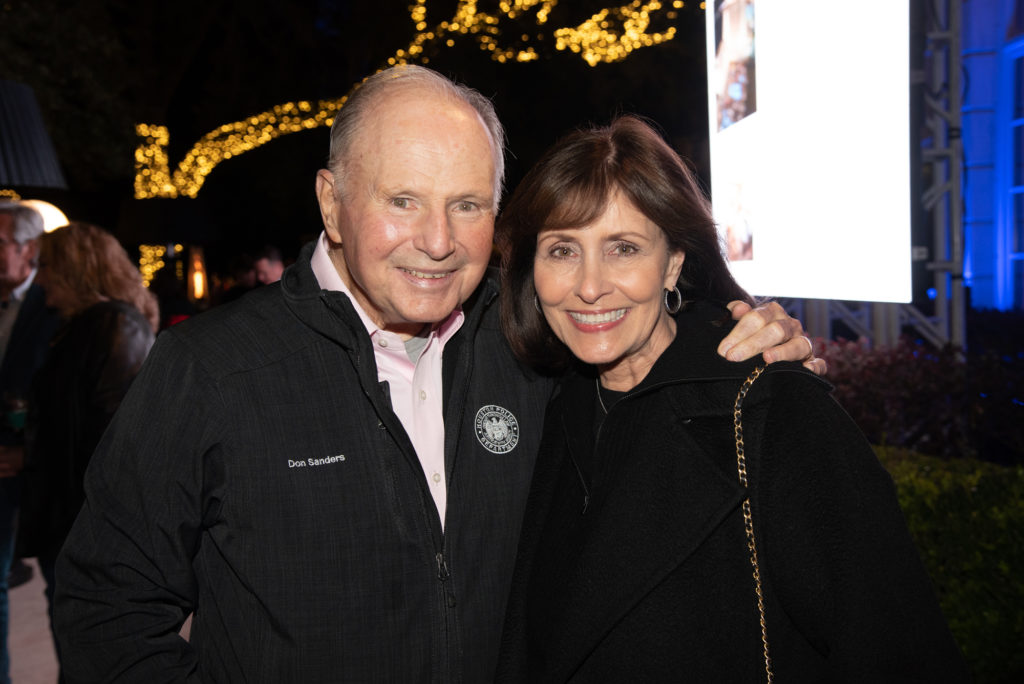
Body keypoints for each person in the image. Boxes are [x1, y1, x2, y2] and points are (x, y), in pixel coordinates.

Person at [54, 66, 817, 682]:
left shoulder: (533, 341)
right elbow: (105, 610)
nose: (438, 241)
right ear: (332, 201)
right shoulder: (213, 370)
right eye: (403, 200)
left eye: (468, 205)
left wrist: (752, 345)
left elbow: (642, 353)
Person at [494, 116, 968, 682]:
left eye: (623, 248)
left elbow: (898, 651)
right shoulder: (546, 403)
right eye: (562, 250)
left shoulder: (774, 410)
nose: (590, 285)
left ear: (673, 262)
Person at [16, 223, 157, 674]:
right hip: (73, 519)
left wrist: (30, 455)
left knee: (94, 656)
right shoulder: (84, 325)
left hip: (93, 527)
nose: (38, 279)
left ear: (77, 268)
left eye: (47, 266)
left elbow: (118, 440)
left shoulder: (116, 325)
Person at [0, 201, 61, 684]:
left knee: (61, 588)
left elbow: (62, 397)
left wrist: (32, 449)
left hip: (45, 470)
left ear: (28, 248)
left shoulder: (55, 302)